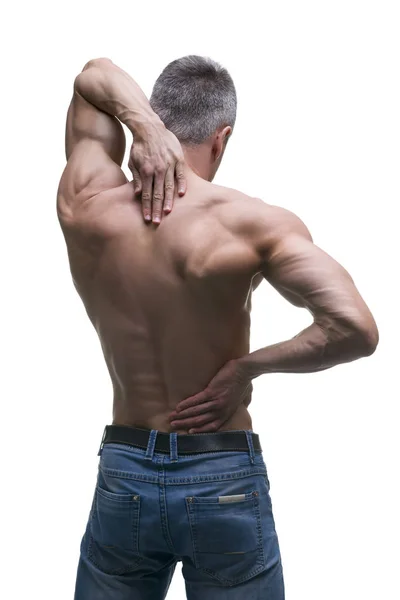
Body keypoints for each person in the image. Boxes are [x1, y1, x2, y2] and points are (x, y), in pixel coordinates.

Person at [57, 56, 379, 600]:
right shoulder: (251, 222)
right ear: (222, 138)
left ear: (156, 117)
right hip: (221, 473)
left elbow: (93, 77)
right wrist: (247, 369)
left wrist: (143, 127)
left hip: (125, 473)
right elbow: (355, 329)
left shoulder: (87, 206)